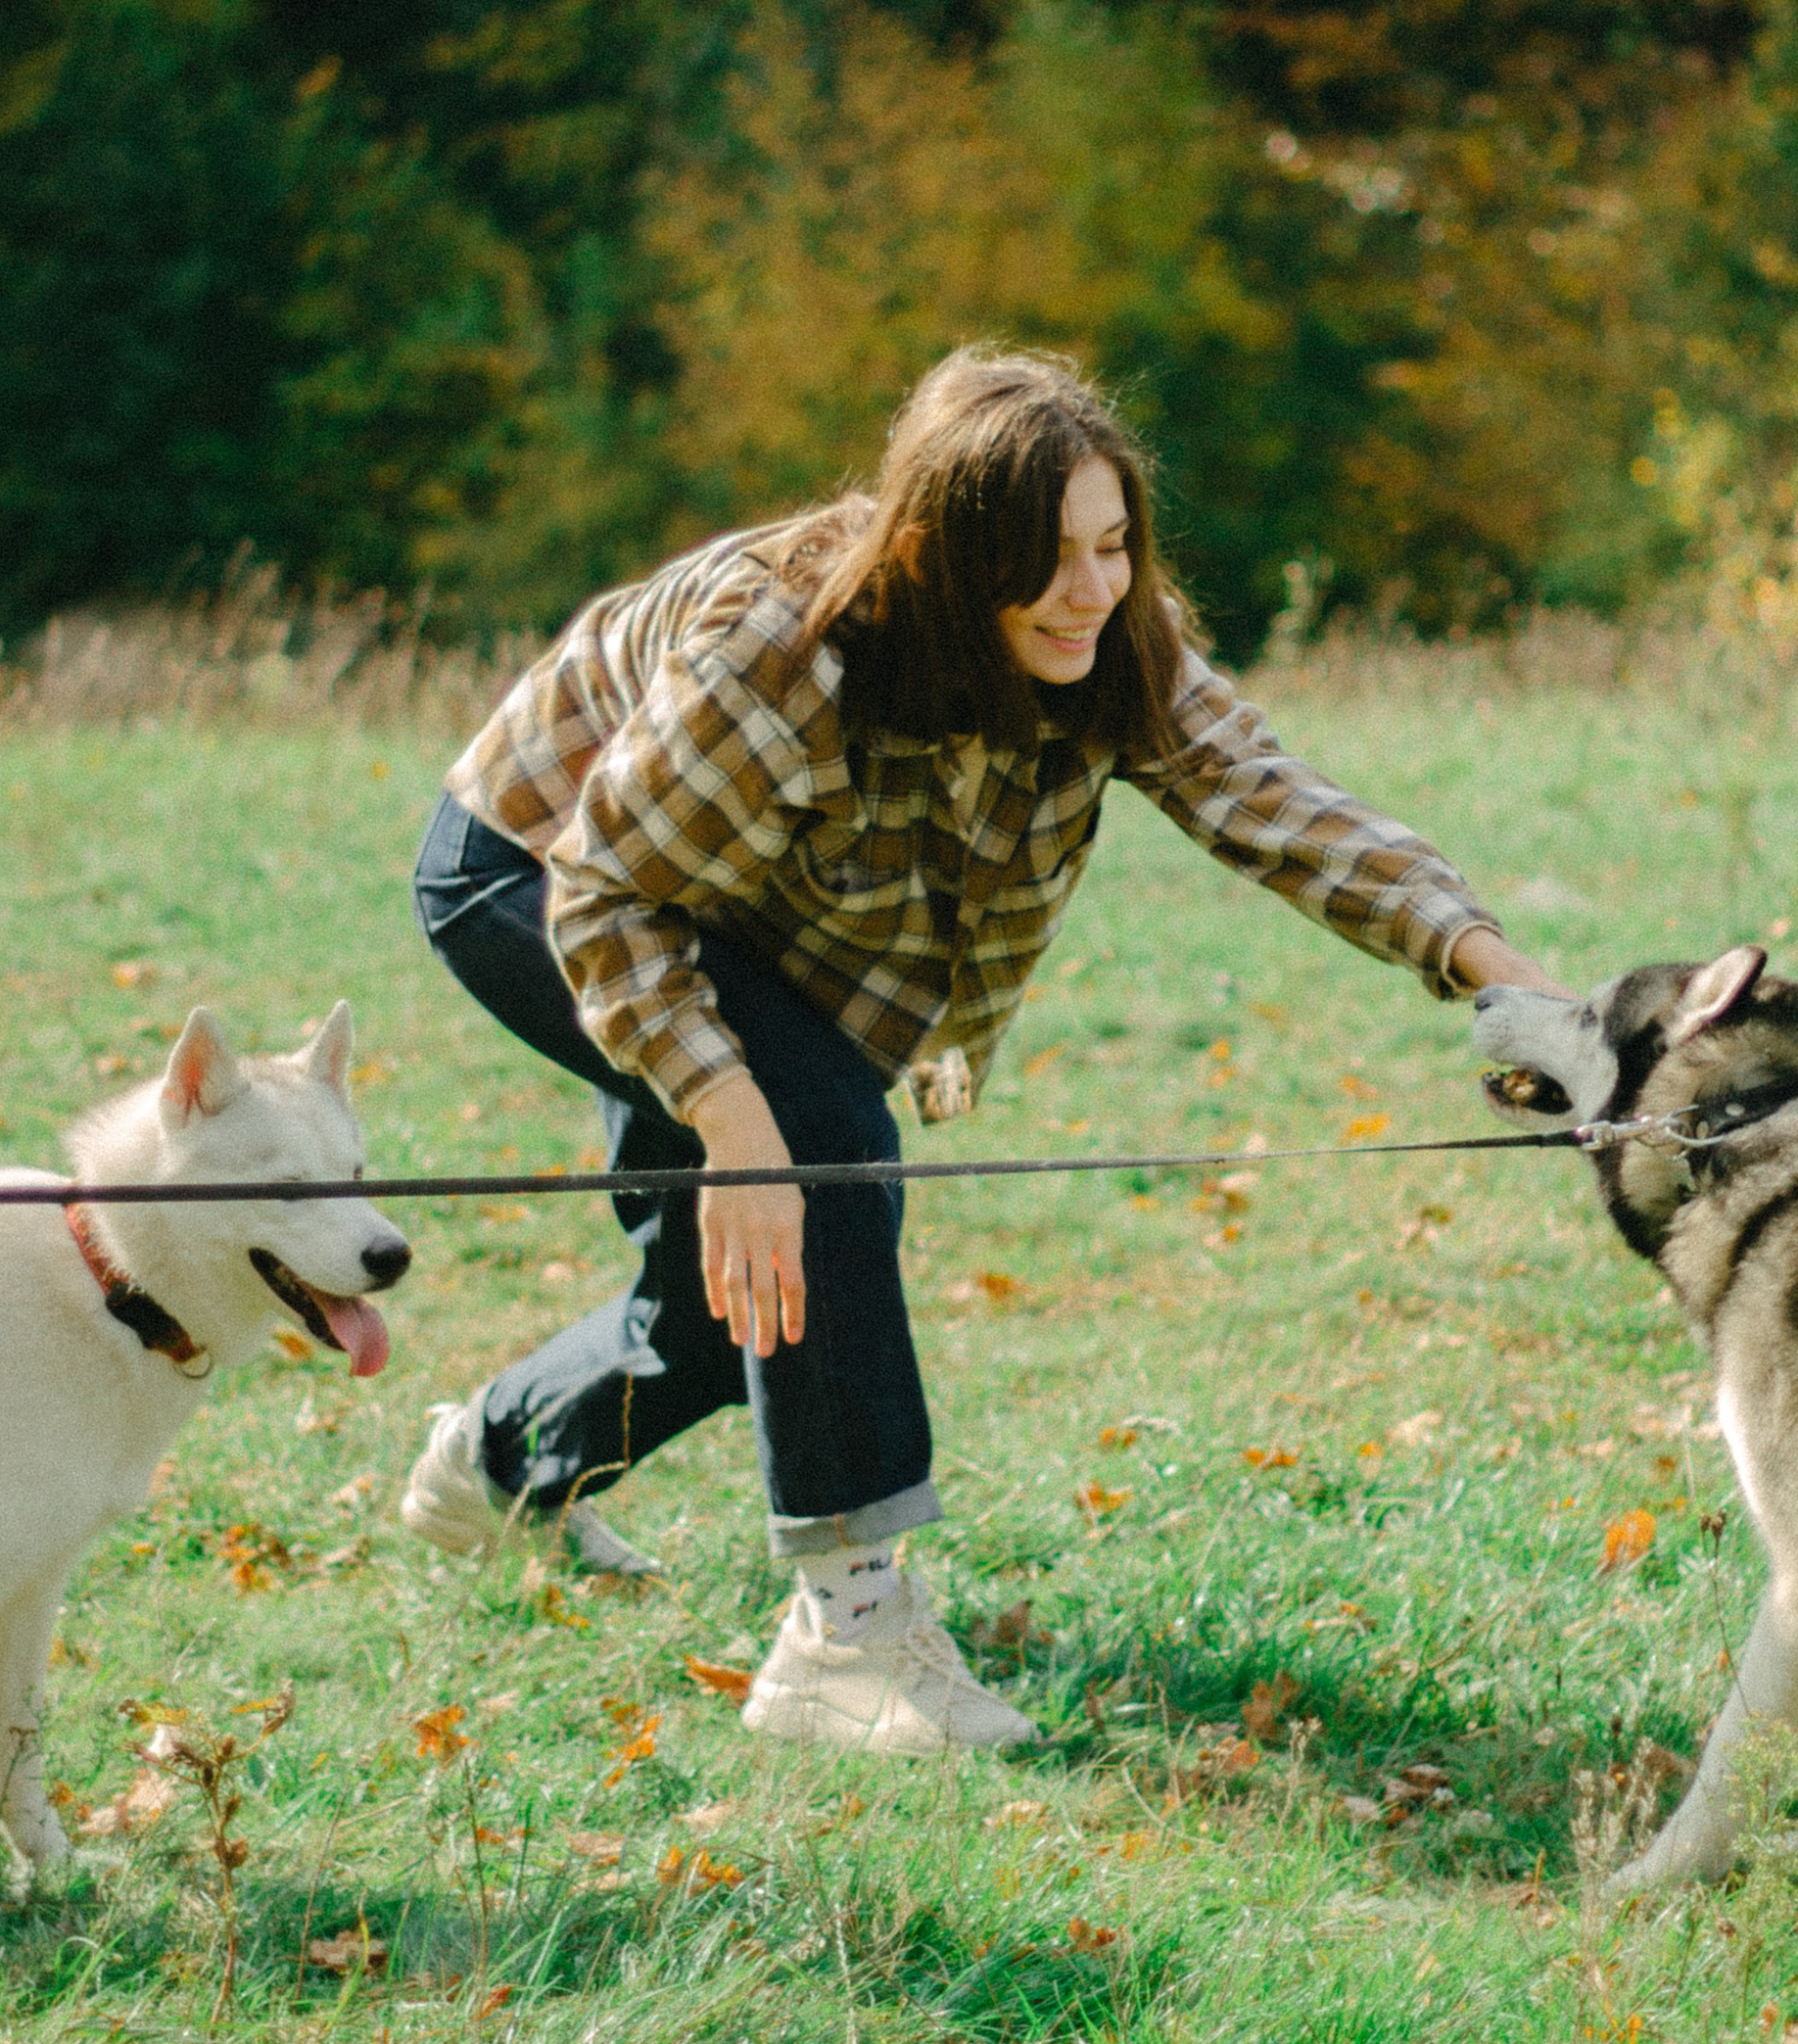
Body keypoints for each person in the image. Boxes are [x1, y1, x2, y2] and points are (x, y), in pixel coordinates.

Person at [401, 345, 1563, 1754]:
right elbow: (610, 896)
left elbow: (1269, 799)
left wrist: (1501, 973)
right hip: (541, 864)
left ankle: (499, 1464)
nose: (1092, 588)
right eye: (1047, 556)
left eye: (1112, 545)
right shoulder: (786, 652)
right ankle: (846, 1637)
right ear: (949, 558)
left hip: (726, 890)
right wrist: (736, 1121)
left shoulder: (1112, 639)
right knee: (815, 1154)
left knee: (733, 1293)